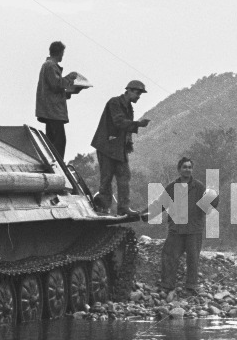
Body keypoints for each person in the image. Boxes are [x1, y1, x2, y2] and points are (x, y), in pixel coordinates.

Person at [90, 80, 150, 215]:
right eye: (137, 93)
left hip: (118, 148)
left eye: (140, 94)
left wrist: (128, 144)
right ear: (128, 90)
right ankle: (104, 208)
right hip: (107, 146)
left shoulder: (128, 107)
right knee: (106, 178)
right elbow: (119, 122)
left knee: (124, 176)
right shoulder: (115, 102)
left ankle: (123, 208)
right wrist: (138, 124)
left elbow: (125, 130)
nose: (138, 96)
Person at [160, 157, 216, 296]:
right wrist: (146, 214)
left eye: (190, 167)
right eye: (184, 167)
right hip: (176, 229)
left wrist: (214, 198)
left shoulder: (199, 187)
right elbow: (161, 203)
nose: (187, 169)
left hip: (193, 229)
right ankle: (167, 286)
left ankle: (191, 287)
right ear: (179, 169)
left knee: (193, 259)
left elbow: (209, 204)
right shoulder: (172, 187)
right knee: (169, 256)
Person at [35, 41, 78, 158]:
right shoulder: (50, 65)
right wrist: (70, 77)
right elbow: (56, 84)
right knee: (59, 143)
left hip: (51, 111)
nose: (62, 56)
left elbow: (54, 89)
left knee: (52, 143)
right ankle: (58, 167)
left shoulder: (48, 65)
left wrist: (71, 92)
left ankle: (54, 166)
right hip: (53, 112)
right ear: (59, 53)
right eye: (62, 53)